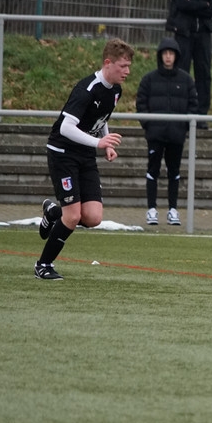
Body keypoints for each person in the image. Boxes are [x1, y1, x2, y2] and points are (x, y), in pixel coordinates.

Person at [35, 39, 135, 280]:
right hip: (63, 153)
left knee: (93, 217)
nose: (127, 71)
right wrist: (98, 142)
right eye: (123, 66)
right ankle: (43, 265)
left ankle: (52, 212)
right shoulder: (86, 89)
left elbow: (100, 118)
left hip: (85, 154)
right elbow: (66, 128)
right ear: (108, 63)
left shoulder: (115, 90)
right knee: (73, 216)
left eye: (129, 66)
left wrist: (106, 140)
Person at [136, 37, 198, 226]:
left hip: (176, 136)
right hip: (155, 135)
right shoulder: (149, 79)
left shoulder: (186, 80)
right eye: (165, 53)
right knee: (152, 171)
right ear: (160, 56)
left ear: (176, 56)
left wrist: (183, 127)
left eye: (171, 54)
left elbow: (193, 106)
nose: (168, 57)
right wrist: (149, 125)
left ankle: (173, 210)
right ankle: (152, 210)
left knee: (174, 172)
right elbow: (141, 104)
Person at [165, 0, 212, 124]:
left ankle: (201, 115)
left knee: (204, 74)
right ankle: (180, 113)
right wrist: (203, 4)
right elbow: (180, 4)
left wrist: (193, 4)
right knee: (181, 72)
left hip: (203, 34)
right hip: (184, 33)